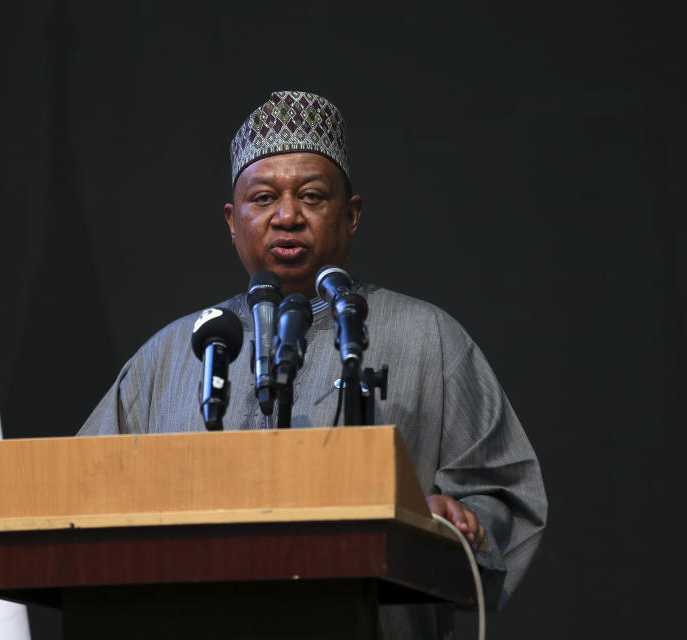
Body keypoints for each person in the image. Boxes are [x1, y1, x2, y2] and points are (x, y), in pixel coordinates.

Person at [79, 90, 547, 637]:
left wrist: (459, 522)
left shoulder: (428, 338)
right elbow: (85, 494)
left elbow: (504, 495)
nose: (286, 217)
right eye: (262, 198)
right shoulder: (174, 353)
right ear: (232, 220)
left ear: (351, 216)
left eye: (311, 196)